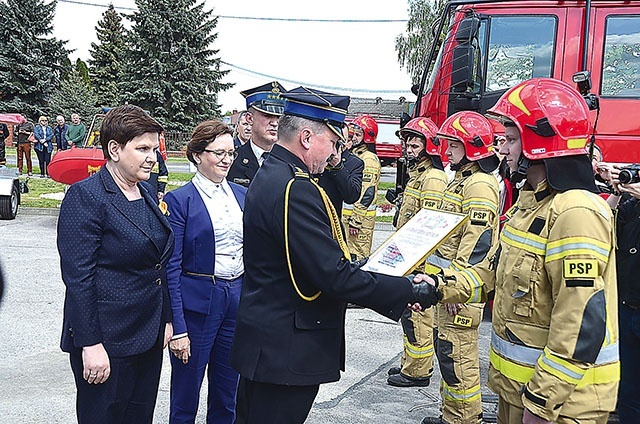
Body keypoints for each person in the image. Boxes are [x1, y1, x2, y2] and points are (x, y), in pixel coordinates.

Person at [229, 86, 440, 424]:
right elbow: (332, 276)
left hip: (269, 345)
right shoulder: (295, 188)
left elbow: (301, 260)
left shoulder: (273, 174)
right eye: (334, 143)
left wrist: (353, 267)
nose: (333, 154)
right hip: (286, 348)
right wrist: (406, 290)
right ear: (308, 137)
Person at [420, 78, 619, 423]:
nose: (503, 150)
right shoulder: (529, 207)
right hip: (518, 392)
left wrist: (542, 402)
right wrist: (433, 287)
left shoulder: (575, 213)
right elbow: (491, 270)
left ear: (541, 143)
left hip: (562, 405)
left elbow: (580, 321)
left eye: (511, 140)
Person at [57, 104, 174, 424]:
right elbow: (79, 278)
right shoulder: (86, 197)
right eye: (143, 148)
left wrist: (165, 319)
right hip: (107, 340)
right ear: (114, 149)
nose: (153, 156)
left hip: (148, 336)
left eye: (155, 148)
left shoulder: (146, 191)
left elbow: (157, 266)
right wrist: (90, 344)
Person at [164, 120, 247, 424]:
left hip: (235, 298)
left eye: (231, 153)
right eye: (218, 153)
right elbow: (171, 267)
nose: (227, 159)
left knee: (228, 394)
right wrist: (178, 327)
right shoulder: (179, 200)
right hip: (198, 305)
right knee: (186, 395)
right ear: (197, 155)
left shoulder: (241, 196)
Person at [422, 111, 500, 424]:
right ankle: (452, 414)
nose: (447, 151)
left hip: (459, 291)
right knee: (448, 351)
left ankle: (464, 419)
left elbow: (478, 243)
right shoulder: (463, 181)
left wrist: (457, 287)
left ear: (471, 146)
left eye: (453, 144)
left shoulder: (479, 185)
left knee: (459, 355)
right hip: (448, 288)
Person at [386, 117, 448, 388]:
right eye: (407, 145)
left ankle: (418, 371)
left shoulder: (433, 178)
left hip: (419, 262)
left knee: (418, 316)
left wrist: (420, 267)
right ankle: (409, 362)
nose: (409, 150)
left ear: (429, 146)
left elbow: (429, 226)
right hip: (408, 257)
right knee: (408, 315)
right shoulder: (418, 175)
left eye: (414, 145)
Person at [600, 166, 640, 423]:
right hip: (626, 308)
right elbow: (603, 222)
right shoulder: (631, 205)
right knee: (628, 390)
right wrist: (616, 192)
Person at [227, 82, 286, 187]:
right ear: (250, 118)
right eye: (267, 115)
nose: (274, 123)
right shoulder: (232, 161)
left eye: (279, 117)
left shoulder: (291, 162)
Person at [342, 115, 381, 260]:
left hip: (359, 223)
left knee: (357, 257)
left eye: (358, 135)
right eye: (353, 134)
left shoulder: (368, 159)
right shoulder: (355, 155)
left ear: (368, 137)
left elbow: (367, 192)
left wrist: (356, 220)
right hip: (348, 219)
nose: (353, 138)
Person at [316, 124, 364, 219]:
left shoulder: (354, 163)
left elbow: (351, 197)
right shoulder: (316, 156)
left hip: (331, 219)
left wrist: (338, 167)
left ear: (348, 142)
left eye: (341, 141)